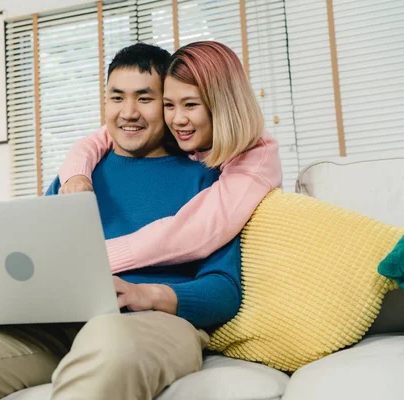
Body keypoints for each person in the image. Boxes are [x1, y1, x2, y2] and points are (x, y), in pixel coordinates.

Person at [0, 43, 241, 400]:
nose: (128, 112)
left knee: (108, 342)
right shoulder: (75, 177)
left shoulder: (205, 178)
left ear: (166, 106)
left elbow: (224, 290)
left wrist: (146, 294)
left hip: (147, 325)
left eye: (144, 99)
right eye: (117, 98)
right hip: (55, 328)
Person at [58, 40, 282, 275]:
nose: (177, 119)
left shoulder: (256, 159)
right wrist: (76, 176)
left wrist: (98, 260)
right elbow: (97, 139)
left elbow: (196, 232)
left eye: (190, 104)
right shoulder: (182, 132)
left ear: (222, 106)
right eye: (168, 105)